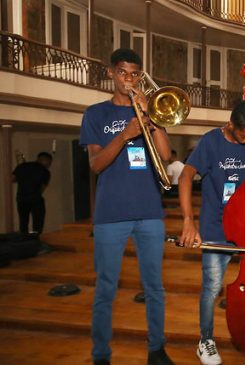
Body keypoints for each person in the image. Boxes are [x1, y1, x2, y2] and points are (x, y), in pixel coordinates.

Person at [80, 48, 174, 365]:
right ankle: (101, 355)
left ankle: (156, 349)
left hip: (150, 212)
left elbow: (165, 155)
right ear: (111, 73)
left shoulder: (148, 112)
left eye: (135, 74)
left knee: (155, 287)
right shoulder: (95, 114)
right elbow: (95, 164)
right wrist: (124, 135)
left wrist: (151, 116)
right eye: (122, 72)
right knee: (106, 288)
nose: (128, 79)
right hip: (110, 214)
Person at [178, 100, 245, 365]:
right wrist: (189, 221)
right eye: (244, 136)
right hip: (217, 227)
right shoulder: (210, 142)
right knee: (211, 287)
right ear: (230, 125)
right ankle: (206, 340)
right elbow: (186, 176)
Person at [12, 152, 52, 234]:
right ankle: (35, 240)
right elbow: (42, 188)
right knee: (37, 223)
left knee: (23, 222)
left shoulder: (22, 166)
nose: (49, 165)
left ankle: (24, 239)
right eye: (49, 162)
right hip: (35, 199)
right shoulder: (45, 171)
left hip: (21, 199)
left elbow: (13, 179)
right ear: (44, 160)